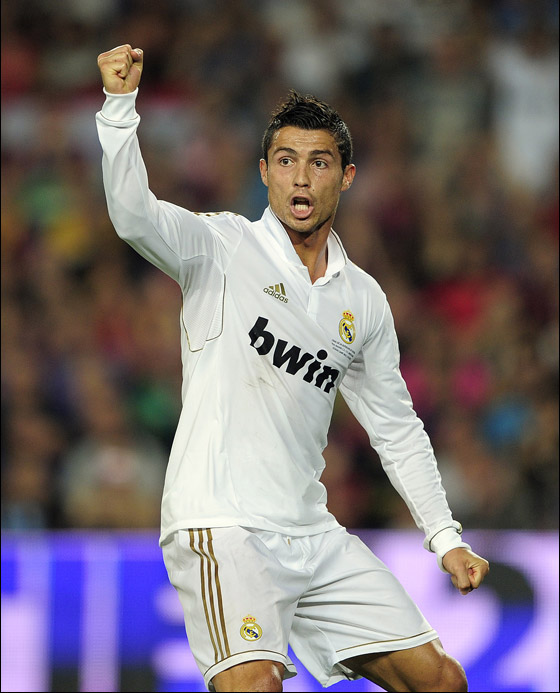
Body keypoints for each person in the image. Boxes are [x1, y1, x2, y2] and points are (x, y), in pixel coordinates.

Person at [96, 44, 489, 693]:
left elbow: (395, 427)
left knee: (441, 681)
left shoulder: (361, 299)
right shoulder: (220, 247)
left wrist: (445, 537)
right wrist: (119, 108)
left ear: (347, 176)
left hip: (310, 530)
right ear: (264, 172)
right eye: (285, 161)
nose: (301, 178)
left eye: (318, 162)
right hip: (222, 520)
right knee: (256, 683)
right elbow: (133, 215)